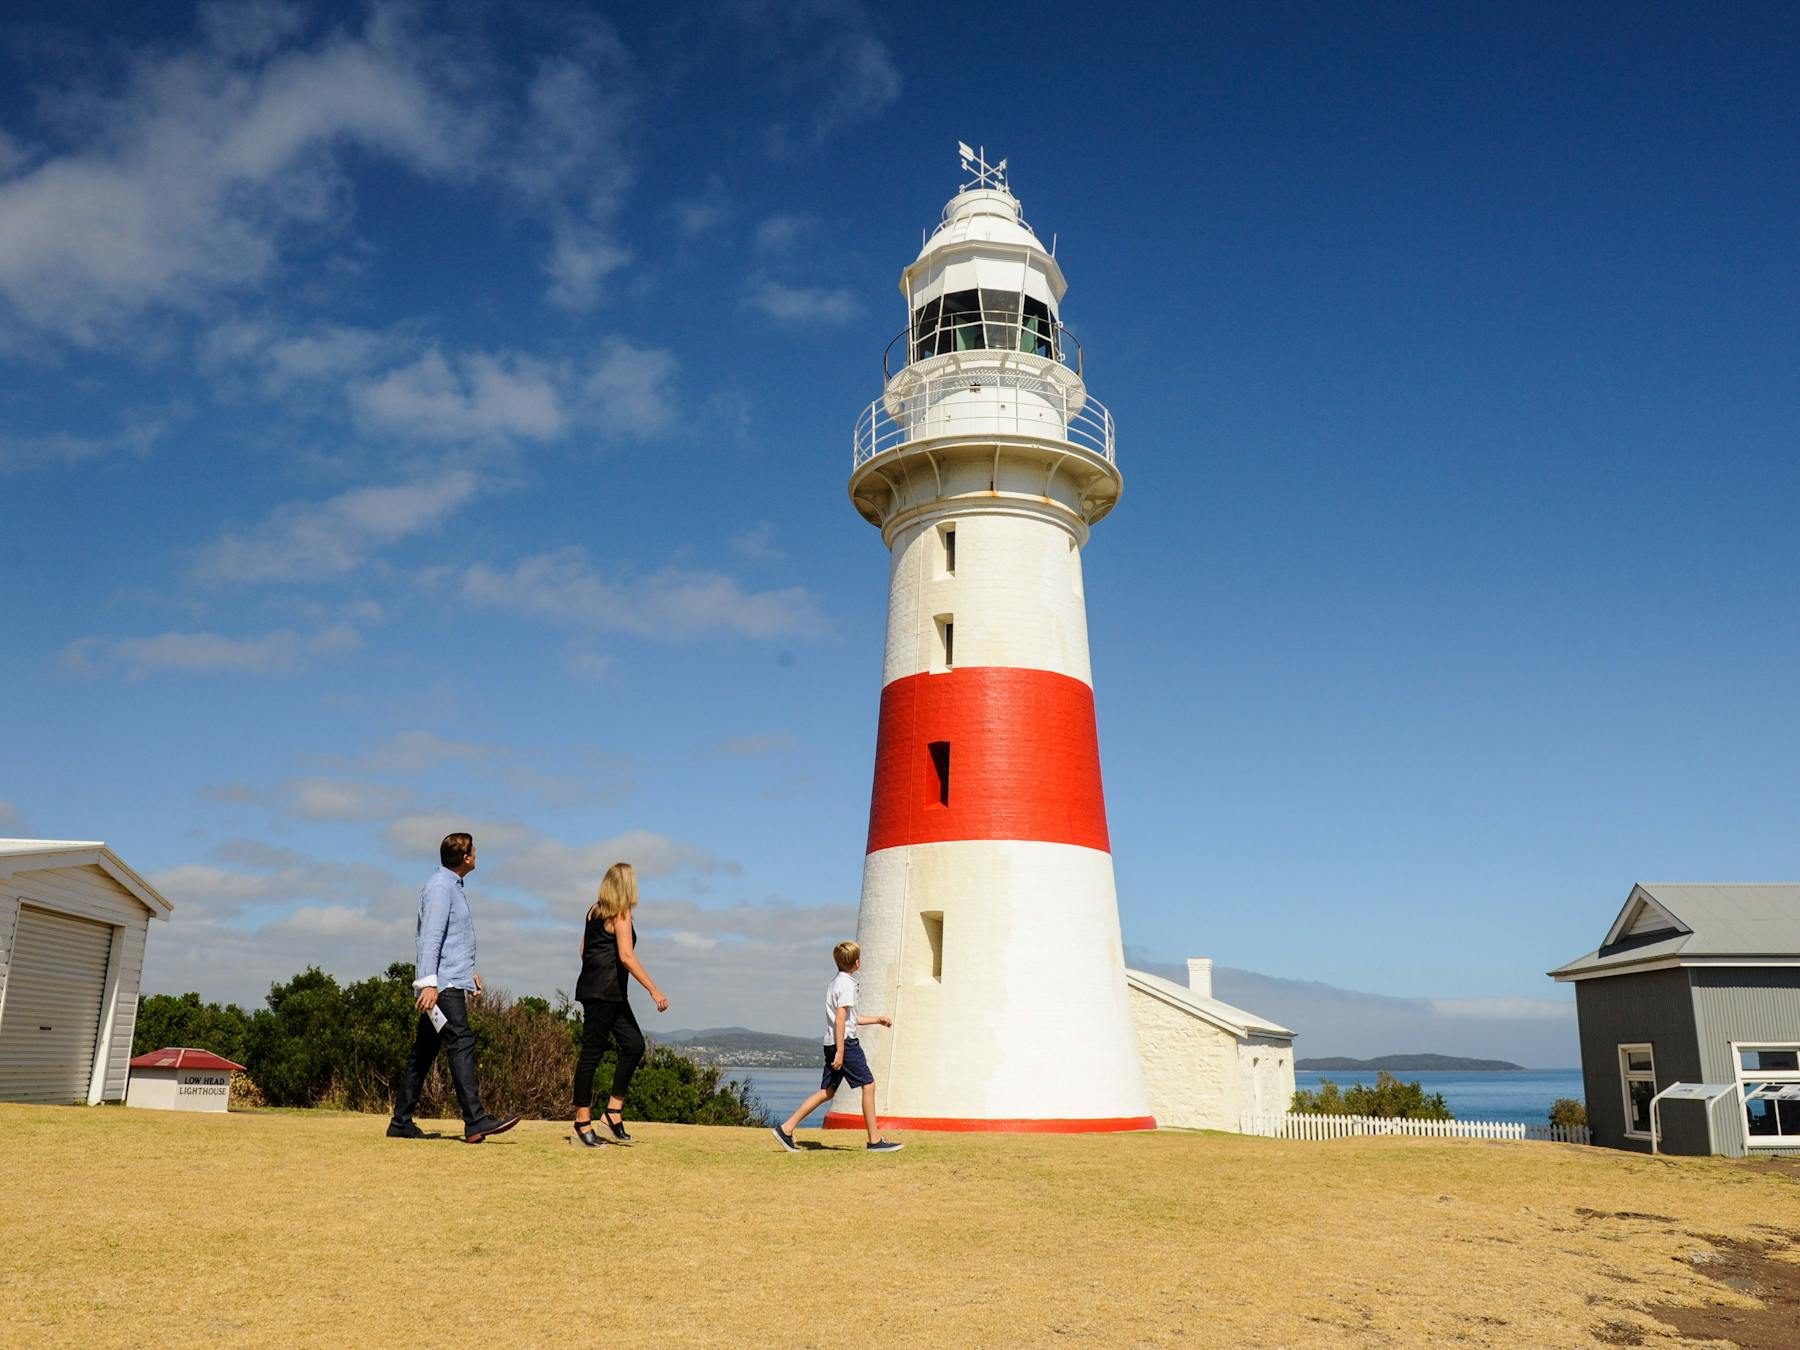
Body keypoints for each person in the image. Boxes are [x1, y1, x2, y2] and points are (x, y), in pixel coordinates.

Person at [388, 832, 519, 1144]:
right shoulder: (440, 888)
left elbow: (452, 939)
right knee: (460, 1042)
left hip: (449, 979)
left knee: (425, 1051)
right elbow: (430, 938)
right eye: (475, 851)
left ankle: (400, 1122)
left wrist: (467, 972)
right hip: (441, 986)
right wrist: (428, 984)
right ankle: (475, 1120)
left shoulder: (450, 886)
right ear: (466, 858)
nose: (477, 856)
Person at [771, 941, 902, 1153]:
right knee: (868, 1085)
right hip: (846, 1044)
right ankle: (874, 1140)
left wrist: (877, 1020)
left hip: (831, 1042)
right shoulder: (848, 985)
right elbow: (841, 1019)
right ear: (857, 963)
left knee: (827, 1091)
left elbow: (850, 1018)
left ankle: (786, 1129)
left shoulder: (835, 984)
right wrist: (842, 1051)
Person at [571, 861, 668, 1147]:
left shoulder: (594, 911)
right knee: (591, 1055)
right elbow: (626, 956)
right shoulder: (620, 914)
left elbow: (583, 949)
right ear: (627, 886)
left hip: (608, 994)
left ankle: (612, 1113)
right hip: (603, 995)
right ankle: (581, 1123)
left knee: (634, 1045)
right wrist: (654, 990)